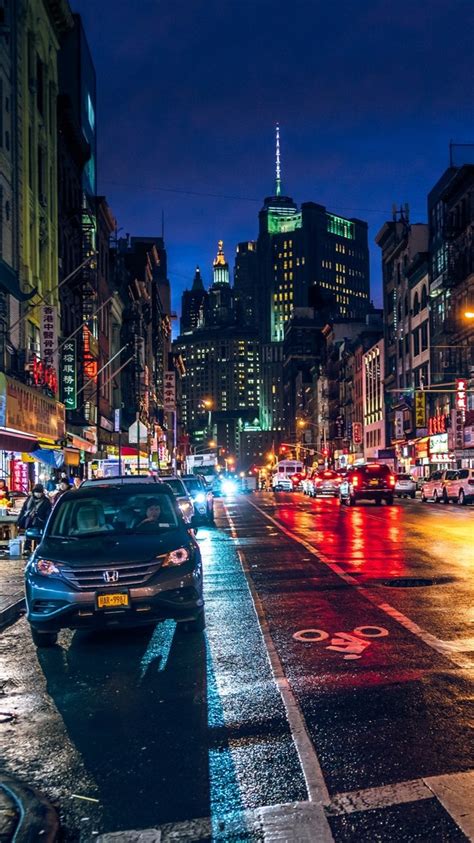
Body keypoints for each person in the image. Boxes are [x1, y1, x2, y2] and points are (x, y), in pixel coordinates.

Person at [17, 484, 52, 553]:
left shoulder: (46, 501)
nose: (38, 494)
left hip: (40, 522)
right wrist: (20, 520)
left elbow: (48, 513)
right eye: (36, 492)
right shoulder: (29, 499)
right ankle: (27, 548)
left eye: (40, 492)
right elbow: (24, 510)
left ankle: (38, 549)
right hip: (29, 521)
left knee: (39, 535)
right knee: (28, 534)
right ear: (33, 492)